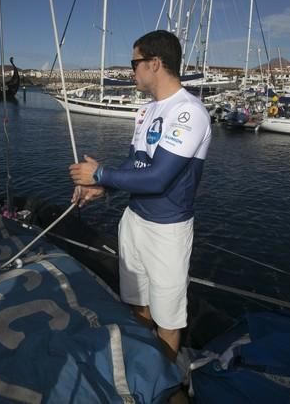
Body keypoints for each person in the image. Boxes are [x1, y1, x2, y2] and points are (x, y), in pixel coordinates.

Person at [69, 30, 212, 362]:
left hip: (166, 232)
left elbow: (159, 178)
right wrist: (102, 186)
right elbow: (136, 163)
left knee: (168, 321)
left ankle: (162, 383)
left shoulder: (189, 113)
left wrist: (101, 174)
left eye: (134, 62)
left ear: (155, 63)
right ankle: (141, 367)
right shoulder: (148, 111)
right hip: (133, 221)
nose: (131, 70)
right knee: (136, 305)